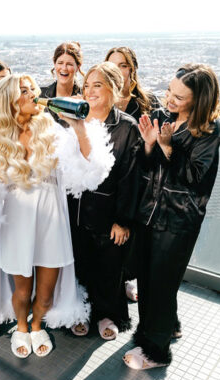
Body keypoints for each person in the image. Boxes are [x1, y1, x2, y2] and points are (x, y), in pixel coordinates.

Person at [0, 74, 114, 359]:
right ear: (11, 103)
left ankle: (38, 324)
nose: (32, 94)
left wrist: (79, 128)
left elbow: (92, 169)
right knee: (22, 291)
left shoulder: (53, 130)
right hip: (16, 221)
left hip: (51, 220)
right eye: (23, 91)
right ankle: (23, 327)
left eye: (32, 89)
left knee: (46, 294)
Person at [124, 64, 220, 370]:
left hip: (179, 220)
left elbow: (194, 177)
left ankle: (157, 352)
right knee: (151, 279)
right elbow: (148, 167)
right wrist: (150, 145)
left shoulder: (207, 130)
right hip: (151, 212)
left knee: (160, 284)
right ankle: (165, 328)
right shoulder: (163, 117)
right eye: (169, 91)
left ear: (198, 100)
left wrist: (168, 148)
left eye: (179, 97)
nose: (169, 99)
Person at [66, 62, 140, 341]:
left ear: (113, 88)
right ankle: (79, 312)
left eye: (97, 85)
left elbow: (130, 178)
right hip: (75, 208)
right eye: (86, 85)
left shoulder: (126, 127)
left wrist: (122, 220)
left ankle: (108, 314)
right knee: (79, 263)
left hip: (109, 210)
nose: (89, 91)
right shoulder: (75, 120)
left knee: (109, 266)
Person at [105, 47, 159, 302]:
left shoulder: (147, 102)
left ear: (132, 69)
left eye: (123, 65)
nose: (118, 69)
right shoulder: (101, 100)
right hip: (109, 178)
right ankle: (116, 280)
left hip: (140, 177)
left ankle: (128, 277)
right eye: (112, 64)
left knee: (134, 233)